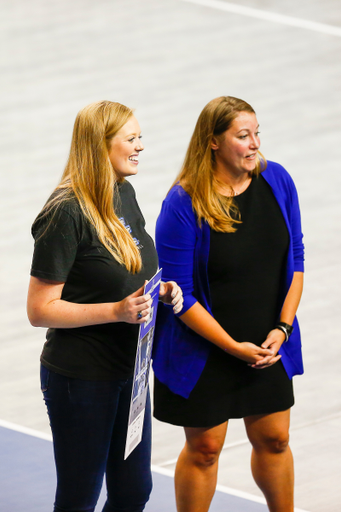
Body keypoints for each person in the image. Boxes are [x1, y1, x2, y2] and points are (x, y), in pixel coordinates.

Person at [27, 100, 183, 512]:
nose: (141, 147)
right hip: (82, 379)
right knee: (80, 498)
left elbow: (130, 271)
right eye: (131, 139)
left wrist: (161, 289)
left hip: (129, 373)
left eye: (140, 138)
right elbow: (40, 309)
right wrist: (116, 311)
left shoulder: (122, 192)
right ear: (101, 145)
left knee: (134, 491)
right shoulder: (65, 213)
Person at [152, 96, 304, 512]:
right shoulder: (183, 203)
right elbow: (179, 294)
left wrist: (283, 328)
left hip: (268, 343)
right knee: (205, 449)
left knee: (275, 440)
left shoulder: (278, 181)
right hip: (204, 348)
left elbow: (296, 260)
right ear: (214, 142)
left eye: (257, 133)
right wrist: (232, 347)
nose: (254, 144)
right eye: (243, 136)